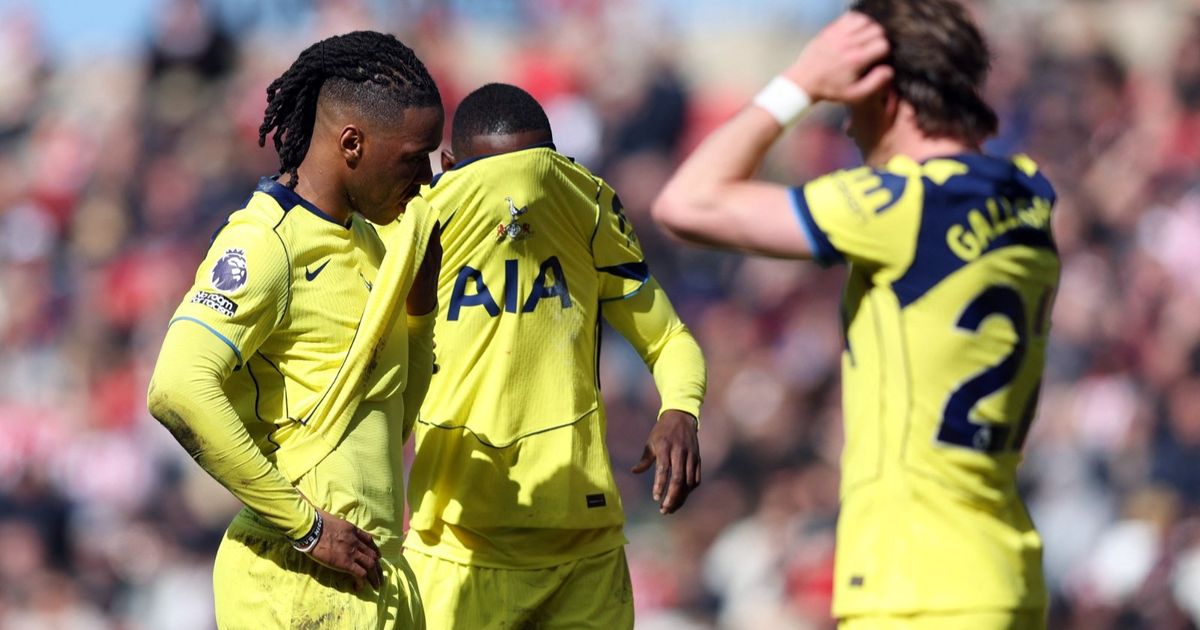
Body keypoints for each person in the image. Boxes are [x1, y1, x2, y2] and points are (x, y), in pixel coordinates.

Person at [652, 2, 1058, 629]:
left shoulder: (905, 205)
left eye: (847, 103)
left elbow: (686, 203)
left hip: (917, 585)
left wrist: (800, 83)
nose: (844, 126)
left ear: (885, 94)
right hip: (1003, 570)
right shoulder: (1028, 194)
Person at [146, 31, 443, 628]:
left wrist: (420, 310)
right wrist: (306, 528)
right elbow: (176, 388)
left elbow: (393, 426)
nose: (425, 178)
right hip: (293, 577)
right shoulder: (265, 242)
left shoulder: (375, 246)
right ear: (353, 143)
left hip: (372, 574)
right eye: (414, 158)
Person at [402, 83, 706, 630]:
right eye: (493, 177)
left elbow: (667, 340)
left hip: (583, 549)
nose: (518, 194)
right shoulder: (418, 223)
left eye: (537, 170)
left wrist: (680, 408)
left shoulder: (587, 212)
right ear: (449, 165)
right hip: (457, 548)